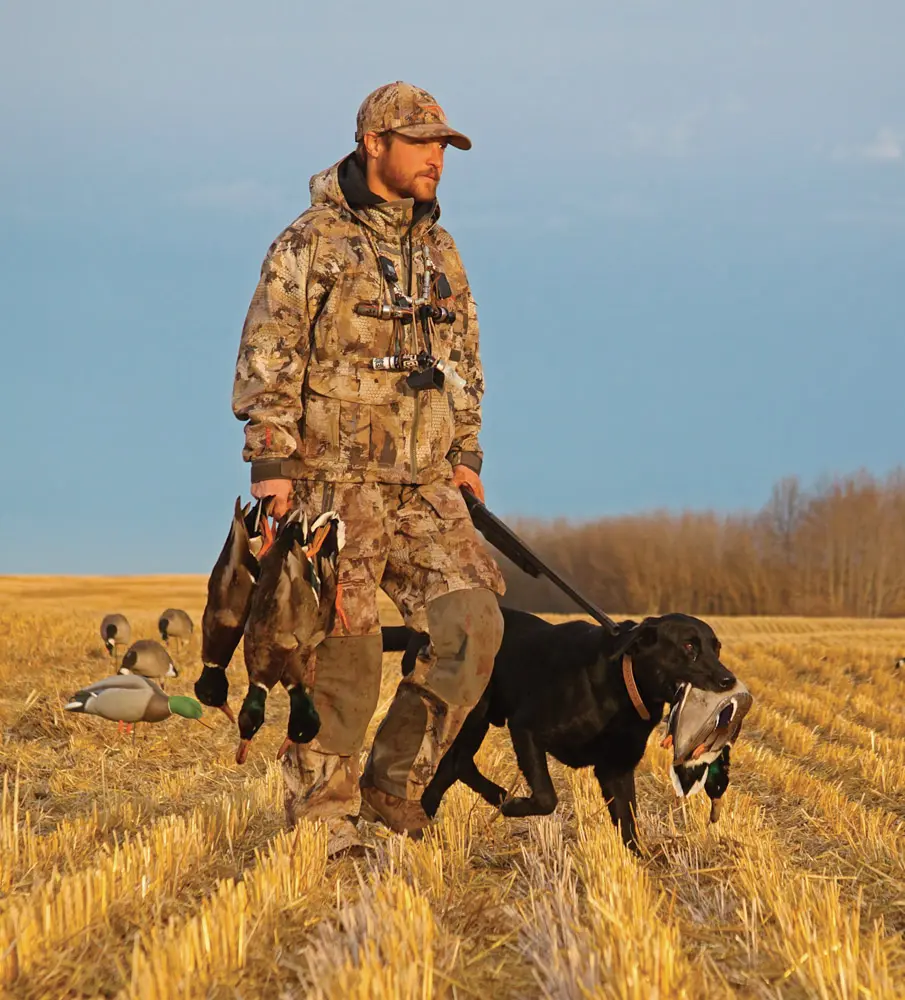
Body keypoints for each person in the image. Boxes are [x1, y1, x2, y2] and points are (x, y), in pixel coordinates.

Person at [232, 81, 505, 853]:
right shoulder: (308, 240)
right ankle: (323, 817)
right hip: (330, 481)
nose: (436, 160)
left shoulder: (440, 248)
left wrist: (464, 453)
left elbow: (463, 359)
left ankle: (394, 782)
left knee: (474, 621)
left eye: (443, 147)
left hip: (424, 482)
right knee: (343, 653)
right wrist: (272, 461)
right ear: (373, 145)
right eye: (421, 144)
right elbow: (268, 350)